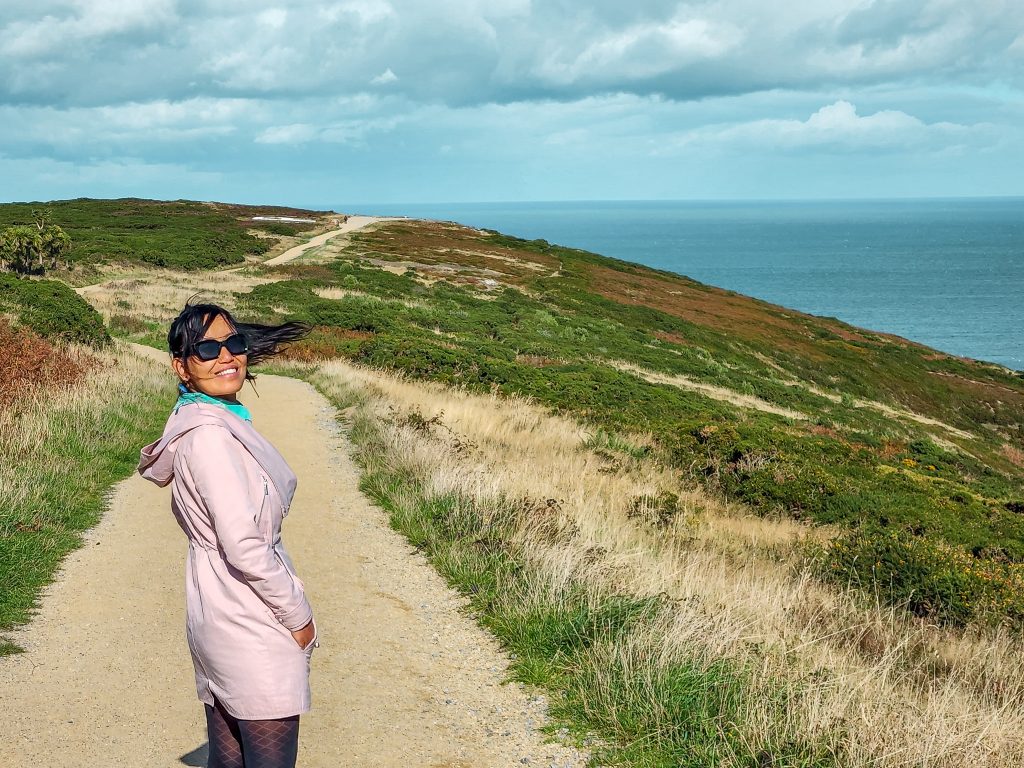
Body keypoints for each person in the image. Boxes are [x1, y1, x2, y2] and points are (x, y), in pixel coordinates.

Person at [138, 300, 315, 768]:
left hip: (217, 607)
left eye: (234, 343)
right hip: (248, 615)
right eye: (207, 348)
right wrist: (297, 616)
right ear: (181, 366)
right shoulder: (212, 437)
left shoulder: (196, 421)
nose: (227, 356)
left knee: (229, 759)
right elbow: (243, 543)